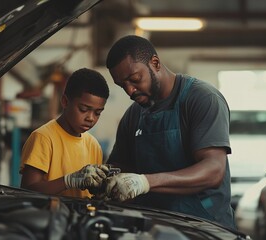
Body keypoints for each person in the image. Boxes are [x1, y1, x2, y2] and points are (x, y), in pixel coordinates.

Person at [104, 35, 236, 229]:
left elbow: (214, 170)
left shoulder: (202, 99)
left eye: (135, 79)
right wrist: (102, 176)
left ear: (155, 63)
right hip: (153, 228)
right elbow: (119, 166)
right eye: (122, 85)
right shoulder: (133, 115)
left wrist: (146, 182)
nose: (130, 91)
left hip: (204, 227)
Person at [20, 68, 110, 198]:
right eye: (83, 109)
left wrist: (103, 190)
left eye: (97, 113)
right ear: (65, 102)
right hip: (50, 216)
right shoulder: (43, 138)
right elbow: (27, 190)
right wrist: (69, 181)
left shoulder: (94, 145)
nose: (91, 118)